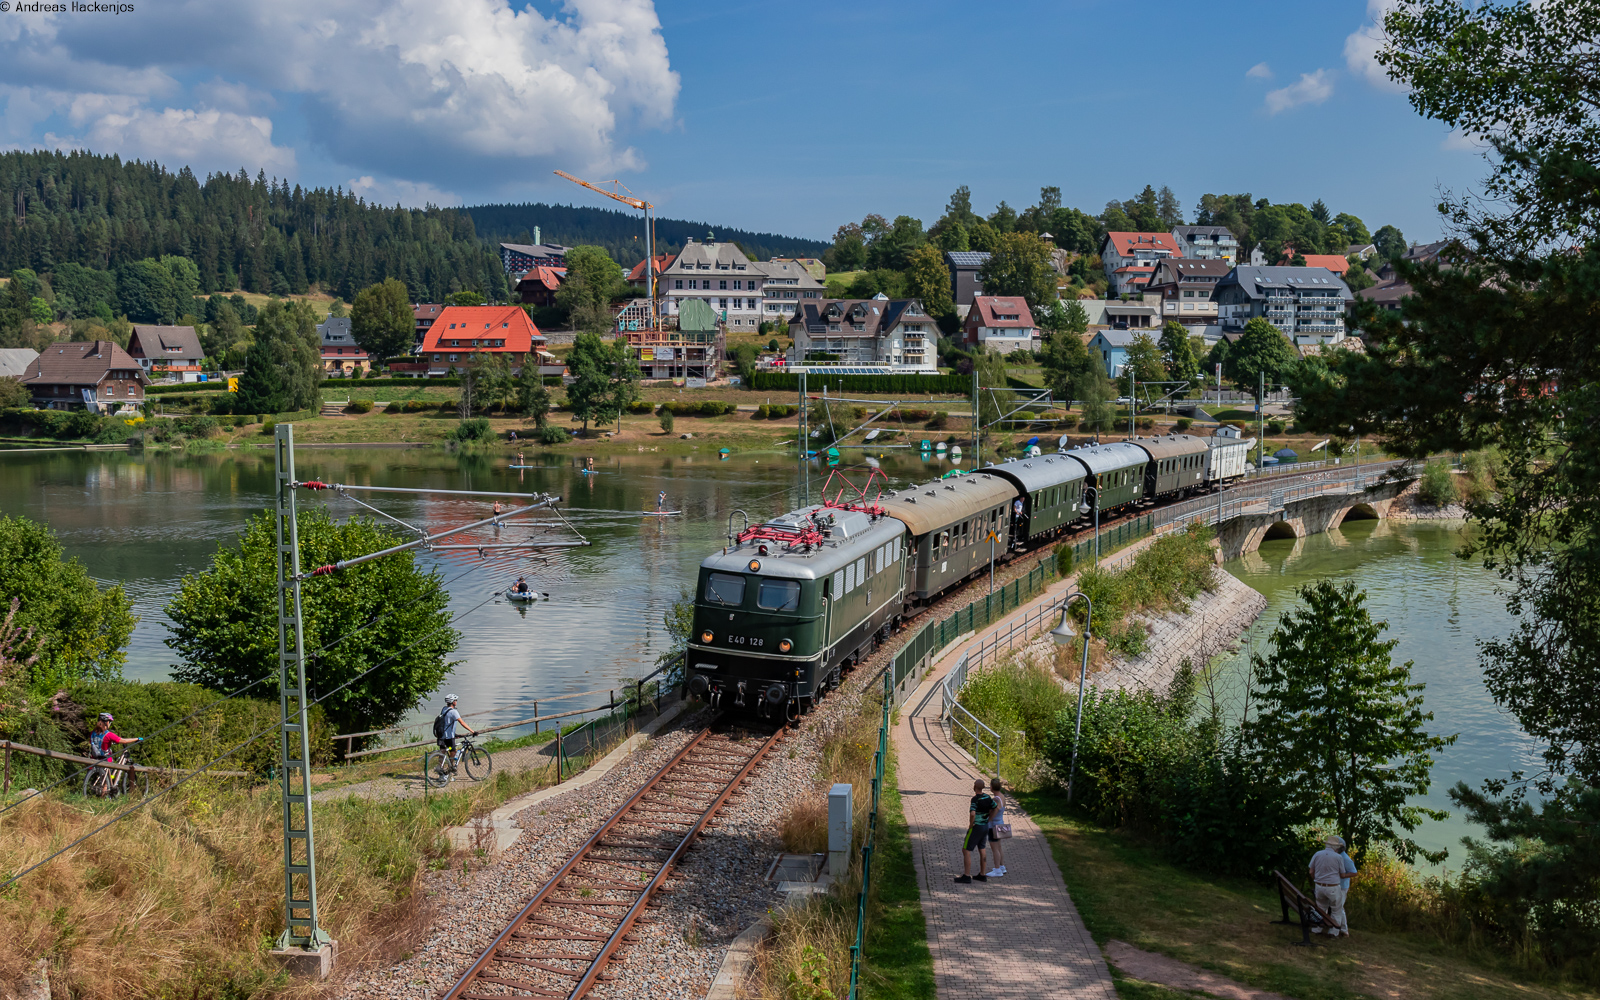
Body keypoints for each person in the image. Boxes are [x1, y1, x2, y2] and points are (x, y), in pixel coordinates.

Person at [954, 778, 997, 884]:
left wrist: (971, 824)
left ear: (974, 787)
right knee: (982, 849)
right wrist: (989, 818)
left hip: (976, 827)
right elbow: (995, 807)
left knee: (966, 850)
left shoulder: (975, 799)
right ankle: (982, 874)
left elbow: (972, 813)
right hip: (985, 826)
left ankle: (966, 876)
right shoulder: (987, 797)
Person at [1308, 835, 1350, 937]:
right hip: (1333, 887)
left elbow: (1311, 871)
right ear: (1336, 847)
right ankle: (1333, 931)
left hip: (1319, 885)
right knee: (1336, 909)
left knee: (1321, 907)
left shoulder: (1317, 854)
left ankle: (1317, 928)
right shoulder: (1338, 857)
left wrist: (1316, 880)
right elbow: (1342, 874)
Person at [437, 694, 476, 772]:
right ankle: (450, 768)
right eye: (455, 700)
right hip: (449, 737)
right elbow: (462, 723)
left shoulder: (444, 709)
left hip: (441, 735)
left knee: (443, 751)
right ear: (452, 702)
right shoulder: (454, 712)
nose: (456, 702)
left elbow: (446, 722)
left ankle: (439, 768)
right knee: (453, 750)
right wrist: (472, 731)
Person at [985, 777, 1008, 878]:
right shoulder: (1002, 796)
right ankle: (1002, 866)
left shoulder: (995, 799)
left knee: (994, 848)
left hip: (994, 825)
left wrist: (988, 820)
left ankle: (997, 869)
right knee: (999, 847)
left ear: (991, 787)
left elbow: (995, 810)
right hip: (1001, 823)